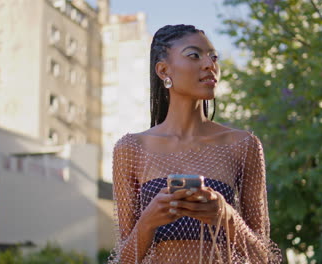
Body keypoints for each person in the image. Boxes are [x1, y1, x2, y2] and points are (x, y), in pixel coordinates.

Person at [109, 24, 281, 264]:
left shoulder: (243, 144)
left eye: (213, 56)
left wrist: (226, 216)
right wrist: (148, 221)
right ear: (163, 70)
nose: (210, 64)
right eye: (194, 55)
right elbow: (124, 260)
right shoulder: (131, 148)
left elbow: (263, 258)